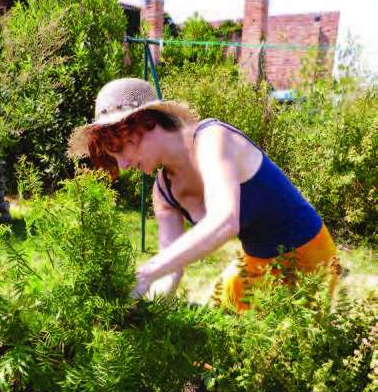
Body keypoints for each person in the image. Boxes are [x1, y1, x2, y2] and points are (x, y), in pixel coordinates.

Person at [68, 78, 339, 310]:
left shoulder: (212, 138)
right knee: (215, 339)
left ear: (145, 123)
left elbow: (225, 221)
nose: (124, 165)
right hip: (256, 264)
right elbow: (171, 267)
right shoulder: (163, 192)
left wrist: (146, 271)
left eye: (121, 149)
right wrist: (144, 312)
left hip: (310, 260)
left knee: (276, 358)